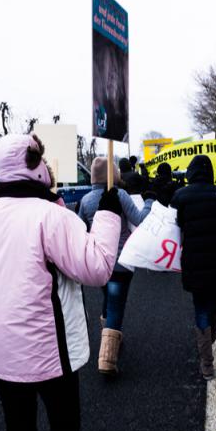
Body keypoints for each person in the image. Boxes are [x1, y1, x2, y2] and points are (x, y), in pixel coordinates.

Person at [0, 134, 121, 431]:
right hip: (48, 353)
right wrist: (108, 211)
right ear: (33, 167)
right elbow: (97, 269)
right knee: (65, 428)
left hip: (0, 353)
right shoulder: (51, 217)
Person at [78, 156, 154, 375]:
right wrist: (149, 201)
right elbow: (140, 220)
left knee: (109, 300)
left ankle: (110, 337)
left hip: (98, 261)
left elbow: (82, 230)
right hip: (121, 261)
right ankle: (107, 359)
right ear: (113, 174)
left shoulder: (85, 200)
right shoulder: (119, 195)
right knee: (116, 306)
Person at [171, 155, 216, 380]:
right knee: (214, 301)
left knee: (200, 306)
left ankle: (207, 364)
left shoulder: (180, 196)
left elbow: (175, 227)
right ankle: (211, 333)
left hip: (195, 261)